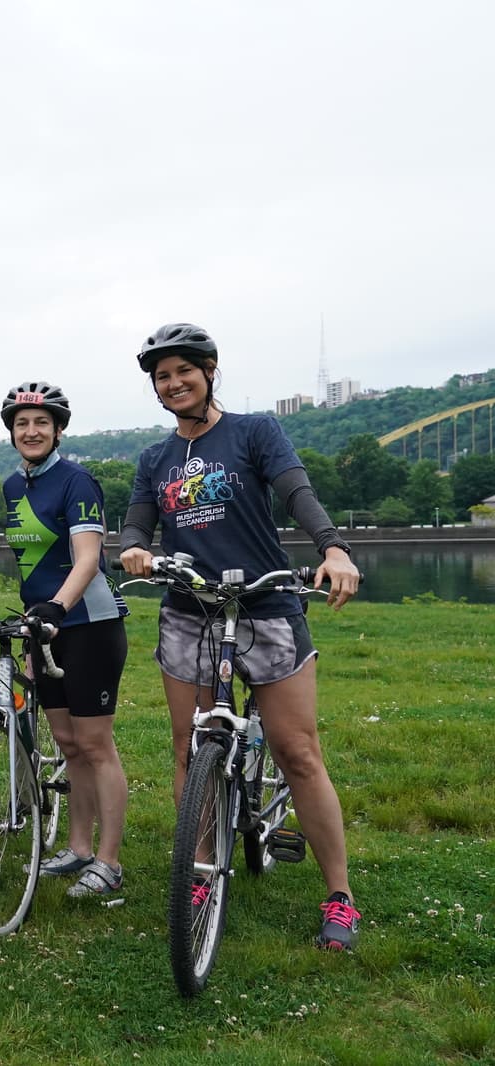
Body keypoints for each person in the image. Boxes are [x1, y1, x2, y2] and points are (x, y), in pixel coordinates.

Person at [118, 322, 363, 950]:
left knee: (297, 751)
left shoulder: (255, 431)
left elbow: (296, 492)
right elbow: (136, 525)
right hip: (189, 612)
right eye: (162, 376)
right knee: (188, 747)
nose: (173, 384)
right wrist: (136, 551)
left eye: (183, 371)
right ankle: (200, 869)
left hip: (267, 606)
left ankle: (339, 896)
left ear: (209, 370)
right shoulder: (155, 458)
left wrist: (332, 548)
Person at [0, 381, 130, 898]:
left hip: (88, 625)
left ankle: (109, 860)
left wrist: (58, 606)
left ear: (57, 430)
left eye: (41, 423)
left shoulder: (77, 482)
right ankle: (78, 848)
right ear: (11, 432)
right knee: (69, 745)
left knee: (96, 745)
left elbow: (87, 559)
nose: (31, 431)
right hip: (43, 627)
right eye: (22, 423)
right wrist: (38, 618)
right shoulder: (12, 487)